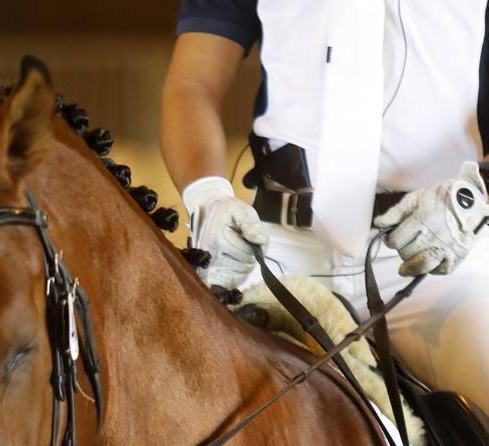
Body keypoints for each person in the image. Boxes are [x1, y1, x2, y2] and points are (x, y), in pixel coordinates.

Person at [161, 0, 489, 414]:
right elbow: (193, 85)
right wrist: (206, 196)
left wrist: (473, 197)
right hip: (277, 250)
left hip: (438, 256)